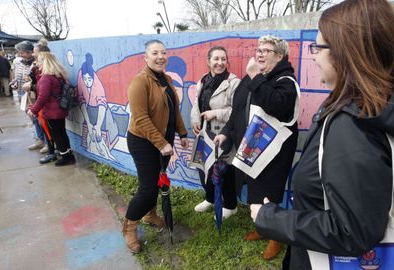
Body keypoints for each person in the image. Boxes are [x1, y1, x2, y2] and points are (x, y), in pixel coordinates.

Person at [249, 0, 394, 269]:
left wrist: (269, 218)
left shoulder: (353, 124)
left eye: (319, 47)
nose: (314, 55)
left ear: (346, 53)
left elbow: (351, 231)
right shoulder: (385, 105)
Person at [214, 35, 300, 260]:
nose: (259, 53)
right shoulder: (255, 77)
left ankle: (276, 237)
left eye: (266, 50)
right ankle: (263, 229)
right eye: (258, 49)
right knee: (255, 190)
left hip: (273, 153)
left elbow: (277, 105)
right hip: (251, 148)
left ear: (279, 56)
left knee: (268, 194)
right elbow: (237, 109)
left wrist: (254, 76)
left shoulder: (286, 80)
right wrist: (226, 133)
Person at [122, 40, 189, 253]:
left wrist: (182, 133)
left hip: (164, 143)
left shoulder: (166, 79)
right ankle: (129, 227)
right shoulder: (140, 82)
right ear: (146, 57)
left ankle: (150, 215)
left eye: (163, 52)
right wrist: (161, 143)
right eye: (155, 53)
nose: (160, 56)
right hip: (143, 142)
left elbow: (174, 110)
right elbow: (140, 118)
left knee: (158, 180)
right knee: (148, 189)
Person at [190, 46, 241, 219]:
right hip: (205, 133)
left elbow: (239, 111)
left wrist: (216, 113)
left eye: (223, 59)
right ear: (208, 61)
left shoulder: (234, 83)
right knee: (203, 168)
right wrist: (195, 121)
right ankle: (210, 198)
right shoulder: (203, 81)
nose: (220, 63)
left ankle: (230, 205)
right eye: (216, 59)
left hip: (224, 134)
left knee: (223, 169)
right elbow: (197, 104)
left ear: (227, 62)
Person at [26, 52, 76, 166]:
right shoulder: (58, 76)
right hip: (60, 110)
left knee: (56, 135)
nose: (37, 63)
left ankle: (65, 157)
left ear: (44, 62)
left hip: (51, 112)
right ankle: (68, 155)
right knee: (62, 133)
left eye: (39, 61)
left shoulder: (46, 78)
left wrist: (33, 110)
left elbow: (42, 97)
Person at [23, 38, 57, 164]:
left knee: (51, 130)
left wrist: (34, 108)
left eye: (35, 52)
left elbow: (43, 92)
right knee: (46, 127)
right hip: (44, 104)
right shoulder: (41, 70)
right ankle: (51, 148)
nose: (33, 55)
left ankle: (53, 150)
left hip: (48, 106)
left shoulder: (47, 75)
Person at [13, 41, 45, 152]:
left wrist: (30, 85)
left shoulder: (37, 63)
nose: (21, 55)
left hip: (33, 94)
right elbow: (19, 77)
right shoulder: (19, 63)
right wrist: (15, 82)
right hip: (24, 95)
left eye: (23, 53)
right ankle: (40, 139)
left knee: (40, 118)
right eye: (20, 53)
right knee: (33, 118)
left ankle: (46, 142)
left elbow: (38, 81)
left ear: (31, 52)